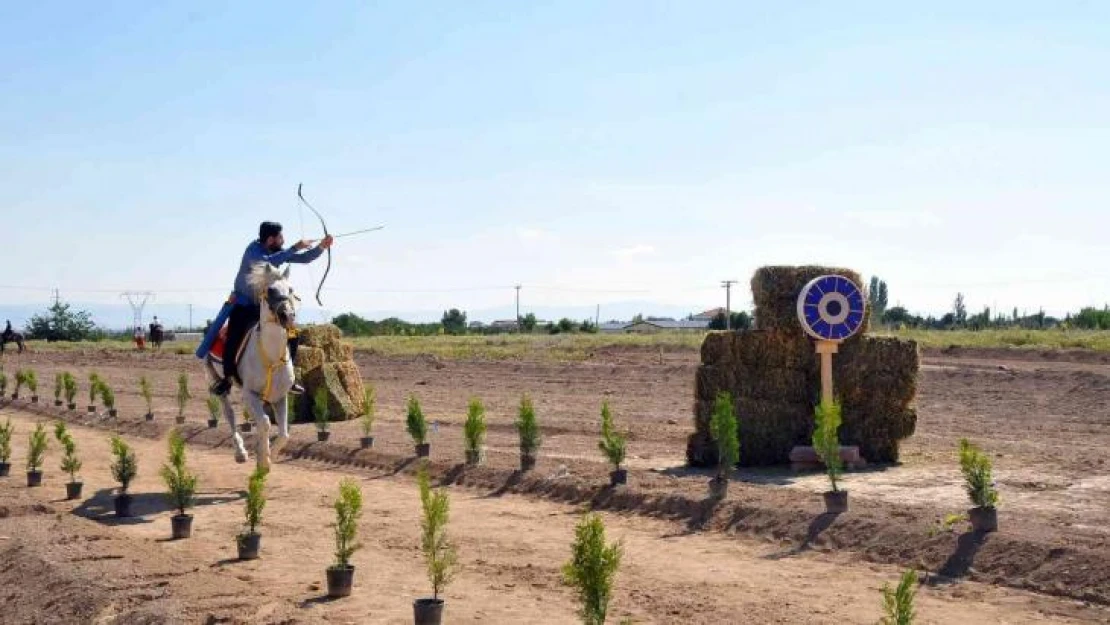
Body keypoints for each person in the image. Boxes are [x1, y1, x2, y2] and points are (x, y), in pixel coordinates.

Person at [209, 221, 333, 396]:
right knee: (234, 337)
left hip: (265, 305)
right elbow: (268, 262)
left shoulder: (277, 253)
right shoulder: (253, 251)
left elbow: (304, 258)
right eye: (280, 237)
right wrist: (294, 247)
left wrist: (321, 247)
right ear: (270, 239)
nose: (283, 240)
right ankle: (228, 378)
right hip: (243, 306)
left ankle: (289, 379)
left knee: (292, 333)